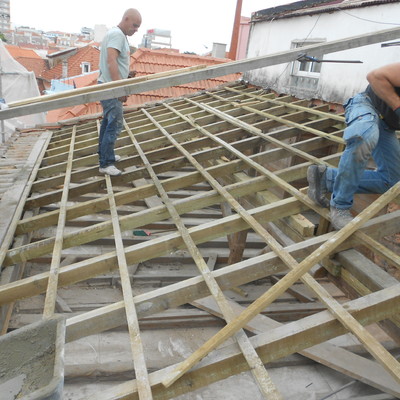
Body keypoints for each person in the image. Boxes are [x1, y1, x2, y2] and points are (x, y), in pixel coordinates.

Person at [307, 63, 400, 229]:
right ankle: (340, 205)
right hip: (366, 105)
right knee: (365, 137)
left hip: (387, 126)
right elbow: (375, 76)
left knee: (393, 182)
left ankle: (325, 177)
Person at [98, 8, 142, 176]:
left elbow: (113, 63)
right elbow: (111, 61)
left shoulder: (116, 34)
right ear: (126, 19)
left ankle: (105, 156)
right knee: (115, 124)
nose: (136, 29)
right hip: (111, 89)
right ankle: (106, 163)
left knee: (108, 123)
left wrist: (126, 74)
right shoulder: (117, 35)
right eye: (135, 25)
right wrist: (119, 88)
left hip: (107, 86)